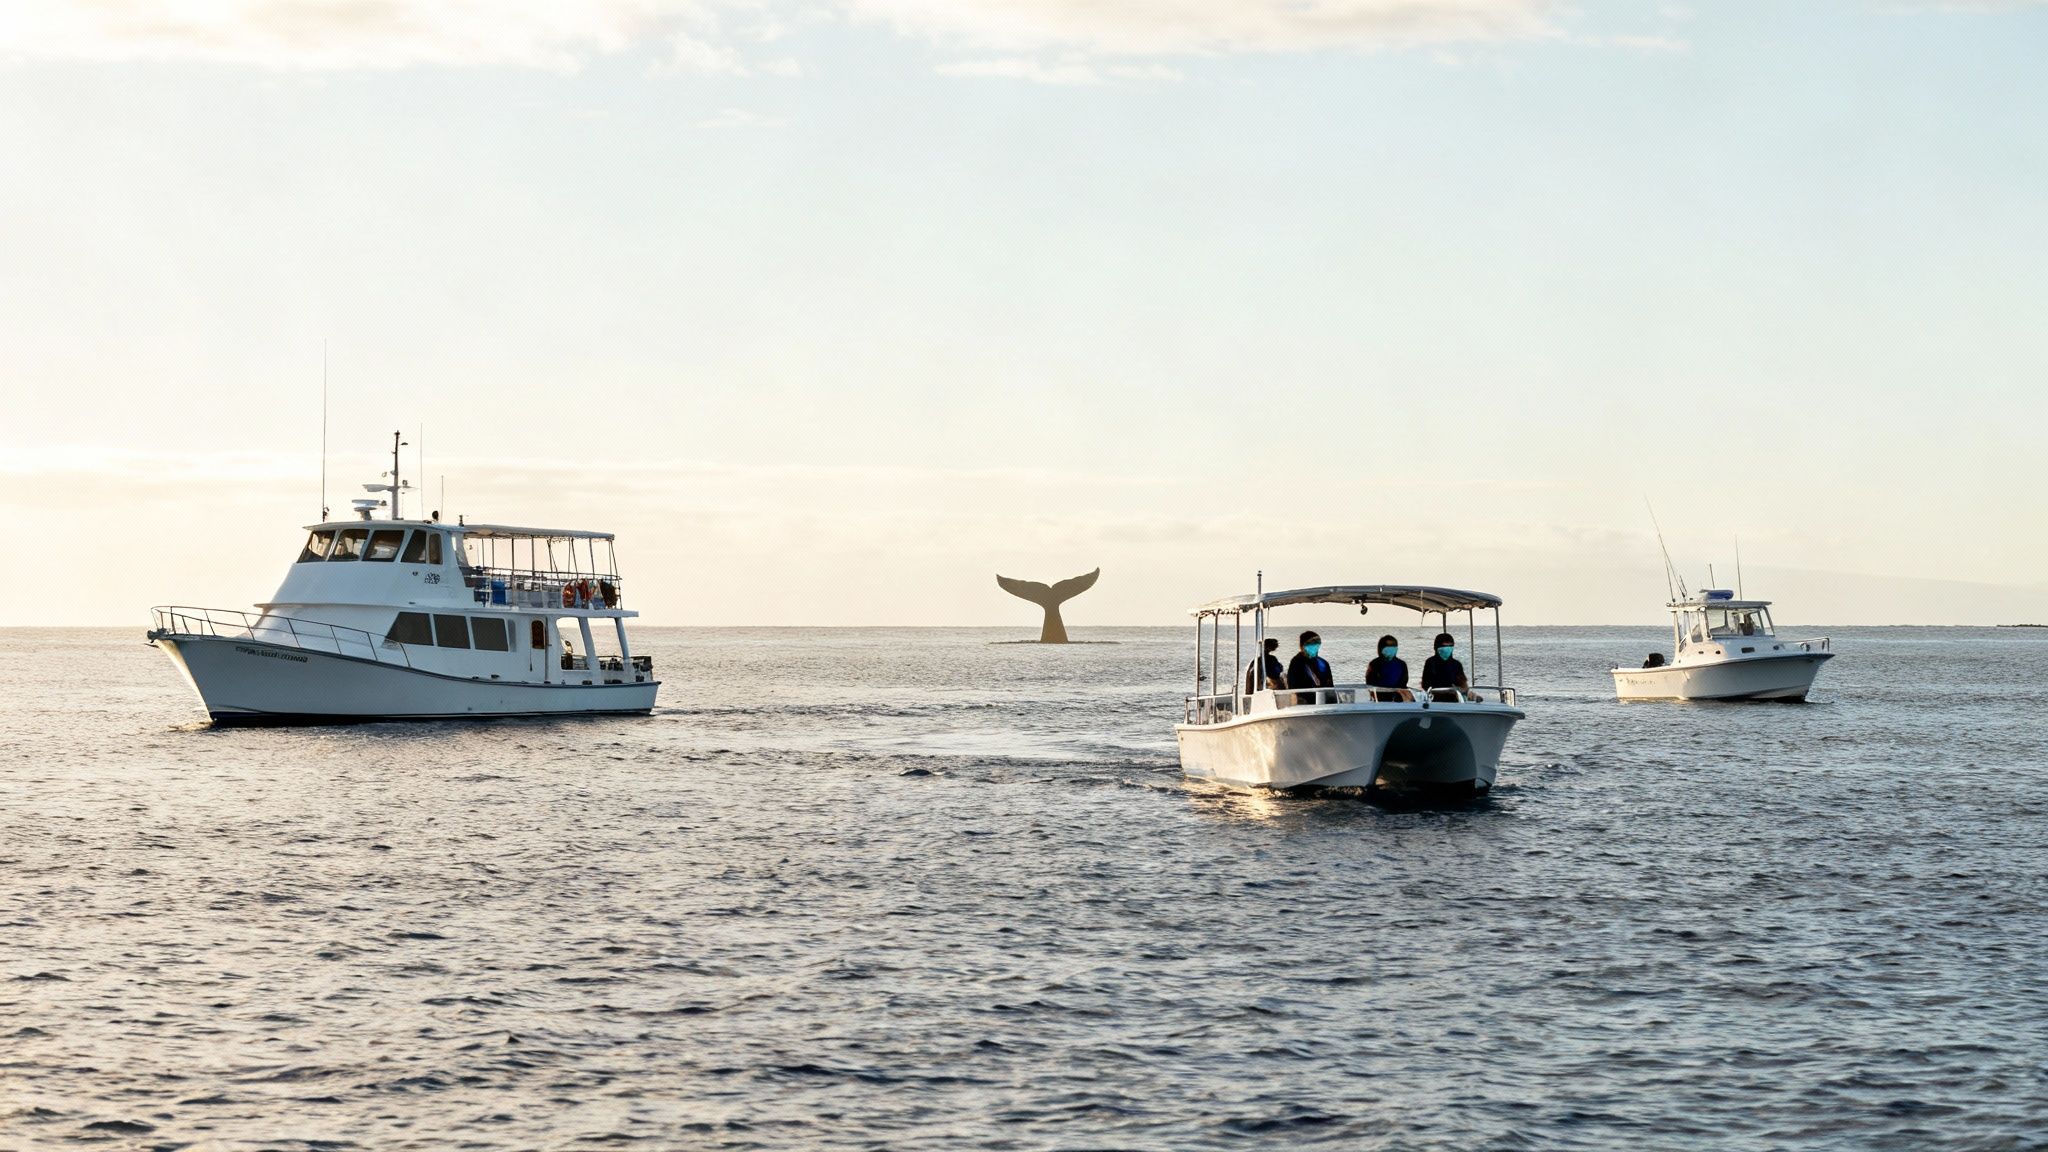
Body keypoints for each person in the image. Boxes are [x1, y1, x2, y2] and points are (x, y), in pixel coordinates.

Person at [1420, 632, 1476, 702]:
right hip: (1435, 700)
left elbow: (1463, 684)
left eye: (1450, 646)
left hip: (1454, 700)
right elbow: (1425, 685)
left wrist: (1465, 692)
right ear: (1436, 647)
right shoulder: (1430, 662)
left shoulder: (1456, 664)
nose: (1447, 649)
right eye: (1444, 646)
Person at [1285, 631, 1333, 706]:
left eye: (1317, 643)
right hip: (1305, 704)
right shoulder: (1296, 662)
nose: (1315, 646)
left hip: (1324, 703)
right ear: (1302, 646)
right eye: (1311, 643)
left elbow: (1330, 687)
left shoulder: (1323, 663)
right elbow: (1292, 687)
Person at [1364, 634, 1412, 702]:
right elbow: (1370, 683)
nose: (1391, 649)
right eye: (1388, 647)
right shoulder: (1374, 664)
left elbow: (1403, 682)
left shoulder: (1402, 664)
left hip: (1397, 697)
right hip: (1379, 697)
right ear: (1381, 649)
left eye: (1393, 647)